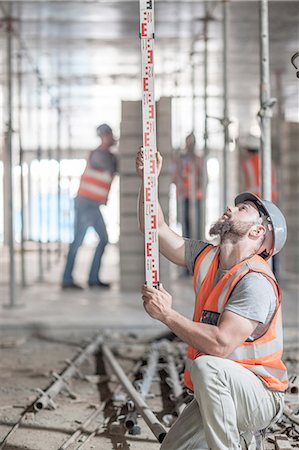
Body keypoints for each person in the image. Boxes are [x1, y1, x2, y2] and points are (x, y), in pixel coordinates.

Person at [136, 148, 287, 449]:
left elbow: (220, 344)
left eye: (242, 209)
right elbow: (155, 229)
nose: (230, 209)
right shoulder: (207, 258)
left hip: (259, 394)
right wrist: (148, 180)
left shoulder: (255, 281)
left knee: (207, 366)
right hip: (222, 388)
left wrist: (168, 315)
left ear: (258, 231)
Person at [62, 124, 117, 289]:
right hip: (87, 203)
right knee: (78, 241)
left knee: (102, 240)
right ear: (104, 136)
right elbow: (113, 167)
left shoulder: (106, 154)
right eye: (110, 135)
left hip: (92, 204)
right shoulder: (100, 155)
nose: (113, 138)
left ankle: (92, 278)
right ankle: (67, 279)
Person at [173, 132, 203, 240]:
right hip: (184, 194)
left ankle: (198, 241)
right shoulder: (180, 159)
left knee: (196, 220)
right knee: (185, 220)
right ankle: (186, 241)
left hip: (196, 195)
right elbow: (175, 177)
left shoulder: (199, 160)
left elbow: (203, 178)